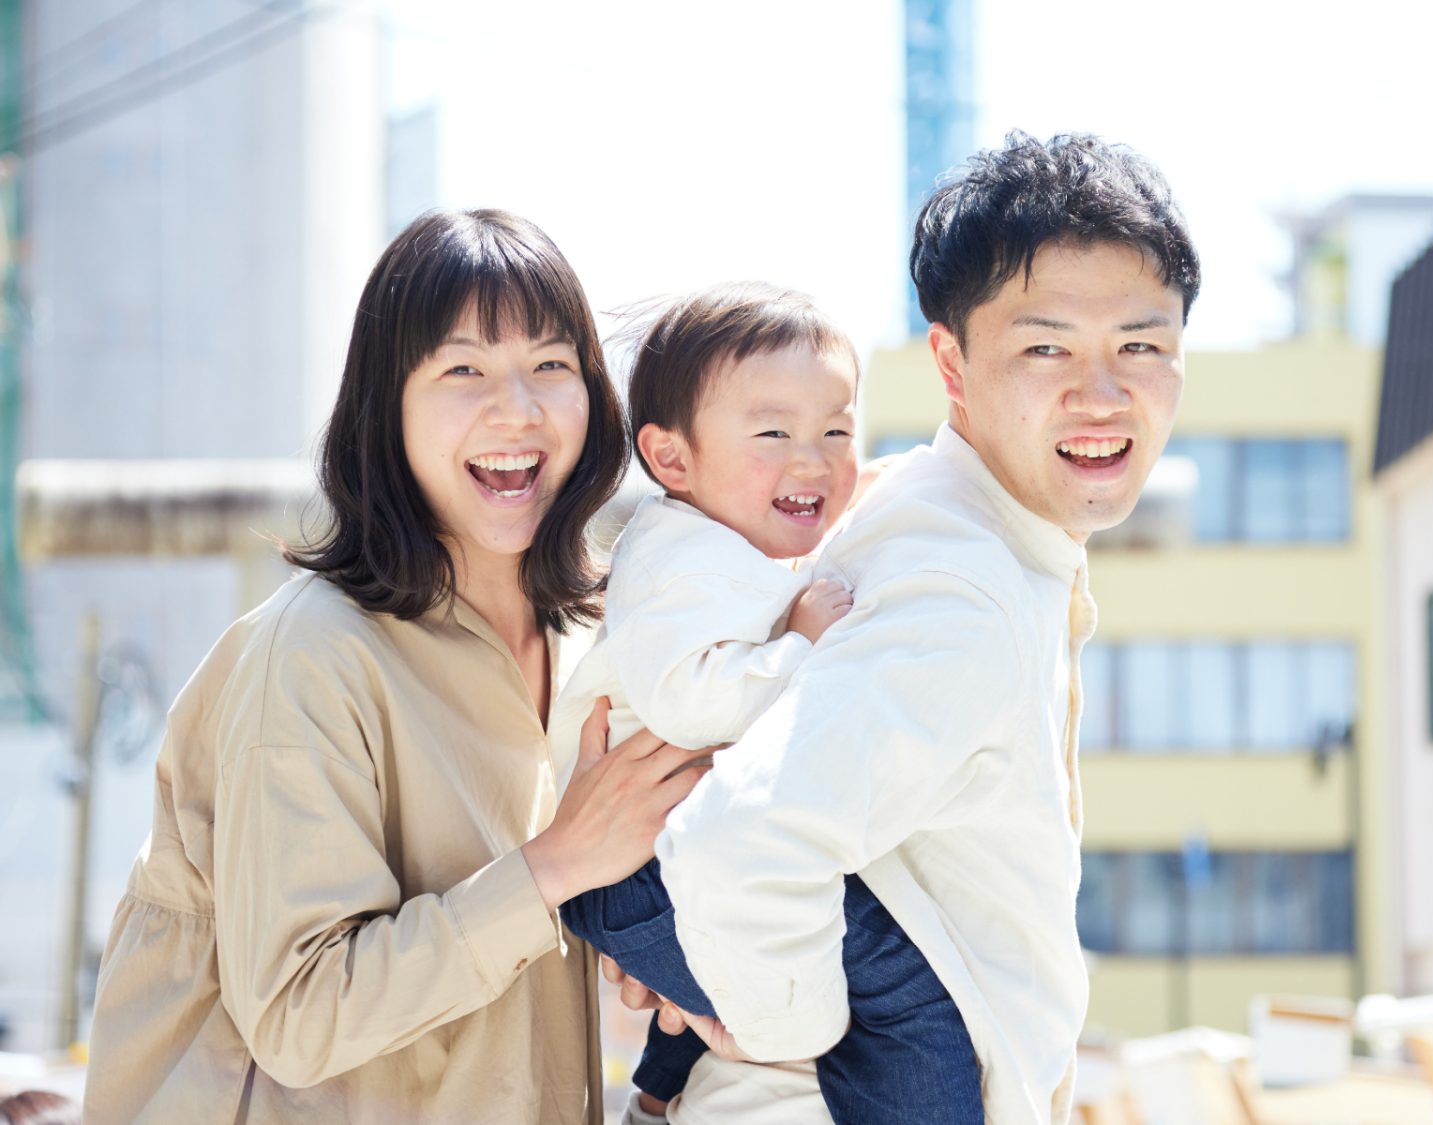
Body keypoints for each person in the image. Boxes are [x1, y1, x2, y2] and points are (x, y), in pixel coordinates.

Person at [82, 209, 709, 1124]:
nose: (518, 408)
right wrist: (555, 865)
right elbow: (298, 1013)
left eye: (551, 366)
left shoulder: (600, 640)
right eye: (464, 369)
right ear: (389, 405)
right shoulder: (311, 654)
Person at [643, 131, 1202, 1124]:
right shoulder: (961, 593)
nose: (1102, 393)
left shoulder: (916, 508)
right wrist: (782, 1030)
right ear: (952, 362)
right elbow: (742, 841)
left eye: (1141, 346)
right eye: (1046, 347)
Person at [550, 282, 983, 1125]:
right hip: (642, 869)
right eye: (773, 432)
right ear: (672, 459)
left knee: (782, 935)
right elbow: (689, 701)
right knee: (903, 990)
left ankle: (655, 1093)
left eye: (836, 430)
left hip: (651, 865)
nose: (813, 459)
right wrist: (804, 648)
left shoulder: (720, 541)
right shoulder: (685, 561)